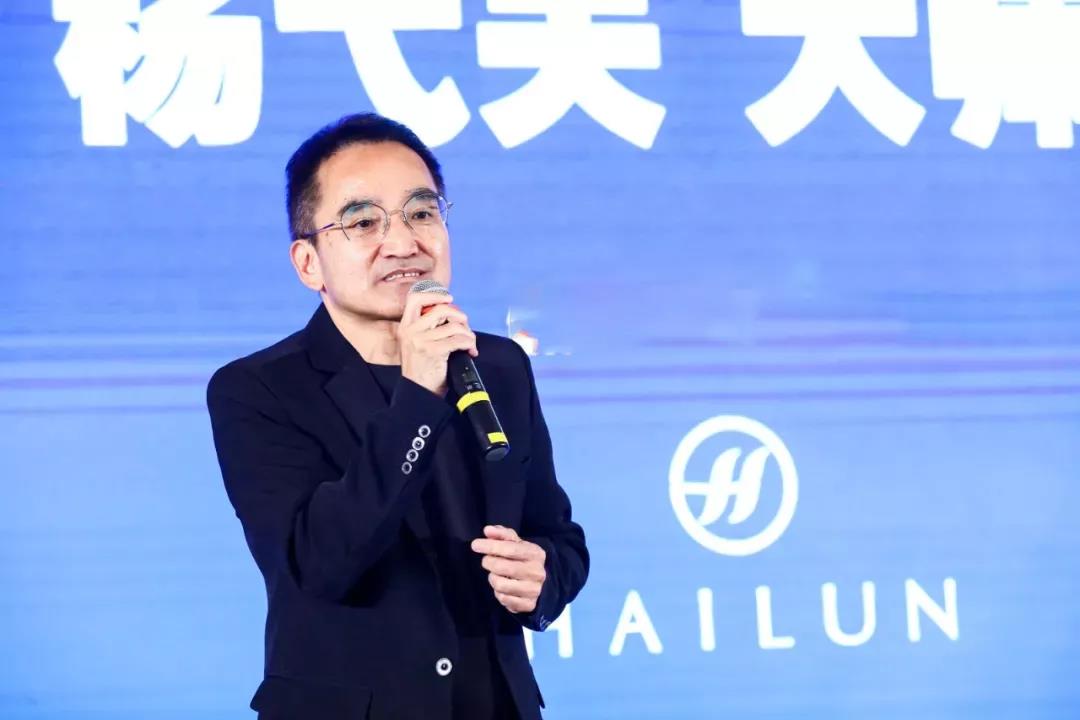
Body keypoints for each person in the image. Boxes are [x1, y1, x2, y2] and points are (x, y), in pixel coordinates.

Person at [206, 113, 588, 720]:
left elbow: (558, 536)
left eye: (421, 212)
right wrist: (417, 392)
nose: (404, 242)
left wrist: (542, 579)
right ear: (308, 263)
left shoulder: (499, 365)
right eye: (363, 222)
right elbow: (320, 563)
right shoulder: (257, 390)